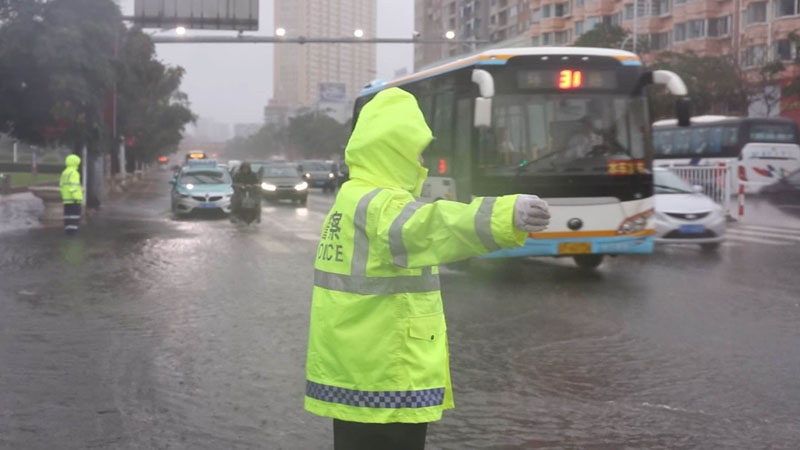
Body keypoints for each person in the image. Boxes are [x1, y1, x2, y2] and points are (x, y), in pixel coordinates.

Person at [304, 87, 550, 450]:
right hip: (386, 374)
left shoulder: (352, 196)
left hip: (357, 370)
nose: (422, 160)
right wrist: (505, 215)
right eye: (416, 149)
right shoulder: (380, 204)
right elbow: (433, 225)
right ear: (395, 149)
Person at [59, 154, 83, 235]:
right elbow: (74, 186)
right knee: (74, 217)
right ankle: (73, 235)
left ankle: (68, 232)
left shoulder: (64, 172)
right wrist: (77, 198)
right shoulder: (74, 173)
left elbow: (61, 186)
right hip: (74, 200)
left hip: (66, 200)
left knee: (67, 217)